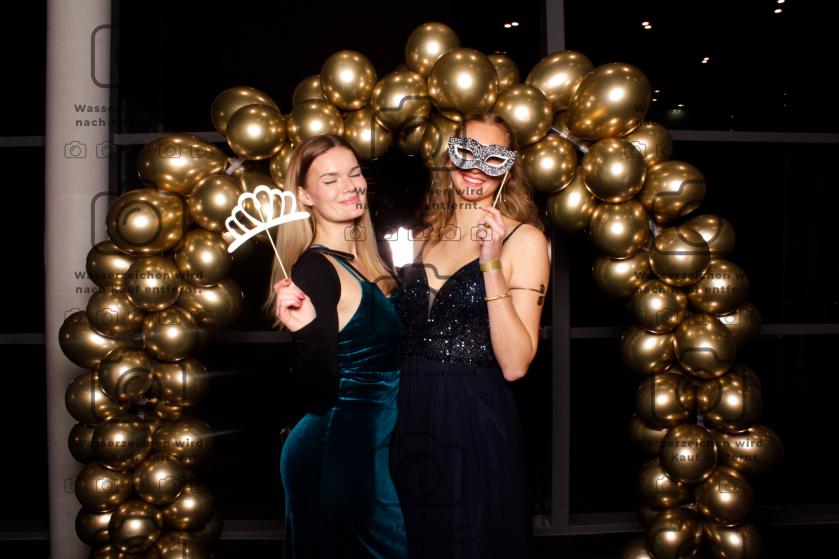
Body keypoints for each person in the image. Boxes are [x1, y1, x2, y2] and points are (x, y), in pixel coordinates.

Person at [389, 113, 551, 558]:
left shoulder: (524, 240)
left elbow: (516, 364)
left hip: (472, 418)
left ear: (508, 169)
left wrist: (490, 263)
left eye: (493, 157)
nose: (477, 167)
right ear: (448, 158)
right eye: (466, 152)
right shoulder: (422, 237)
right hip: (404, 413)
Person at [265, 134, 407, 558]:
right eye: (330, 180)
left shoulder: (367, 260)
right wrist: (307, 332)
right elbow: (319, 393)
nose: (350, 186)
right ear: (305, 196)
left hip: (368, 445)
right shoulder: (315, 268)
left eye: (355, 173)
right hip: (335, 449)